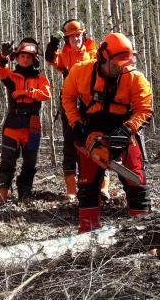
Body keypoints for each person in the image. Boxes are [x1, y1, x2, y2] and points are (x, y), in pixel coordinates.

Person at [61, 33, 152, 232]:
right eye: (117, 62)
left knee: (136, 180)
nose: (121, 66)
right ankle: (88, 229)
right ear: (103, 57)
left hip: (123, 128)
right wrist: (77, 126)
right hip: (92, 130)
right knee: (87, 185)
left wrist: (128, 129)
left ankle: (143, 230)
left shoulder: (135, 78)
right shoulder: (80, 71)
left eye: (124, 62)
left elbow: (144, 109)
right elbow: (67, 97)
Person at [45, 19, 102, 201]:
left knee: (97, 142)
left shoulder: (94, 53)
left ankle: (101, 185)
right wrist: (54, 42)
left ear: (83, 36)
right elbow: (49, 58)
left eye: (78, 35)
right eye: (71, 37)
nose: (75, 39)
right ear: (67, 39)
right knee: (70, 144)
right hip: (69, 101)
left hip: (91, 103)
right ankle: (71, 189)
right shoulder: (64, 56)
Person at [0, 38, 52, 204]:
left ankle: (24, 195)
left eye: (29, 56)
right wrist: (3, 55)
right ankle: (2, 193)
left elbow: (46, 94)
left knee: (30, 162)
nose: (25, 59)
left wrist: (27, 92)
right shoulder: (11, 76)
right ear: (16, 57)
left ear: (34, 59)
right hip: (12, 125)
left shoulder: (40, 78)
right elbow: (1, 70)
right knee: (7, 161)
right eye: (22, 56)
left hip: (33, 127)